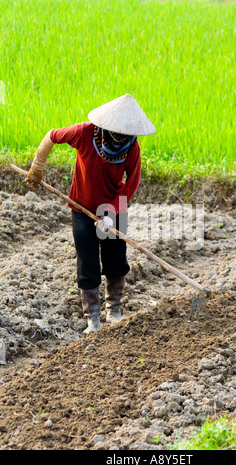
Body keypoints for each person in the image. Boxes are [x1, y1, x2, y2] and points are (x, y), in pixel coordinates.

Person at [25, 94, 156, 334]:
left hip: (113, 210)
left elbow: (132, 183)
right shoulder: (84, 133)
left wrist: (112, 212)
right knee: (87, 261)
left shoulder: (131, 147)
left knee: (115, 258)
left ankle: (114, 310)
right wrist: (37, 167)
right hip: (82, 209)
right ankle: (92, 318)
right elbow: (51, 136)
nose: (122, 136)